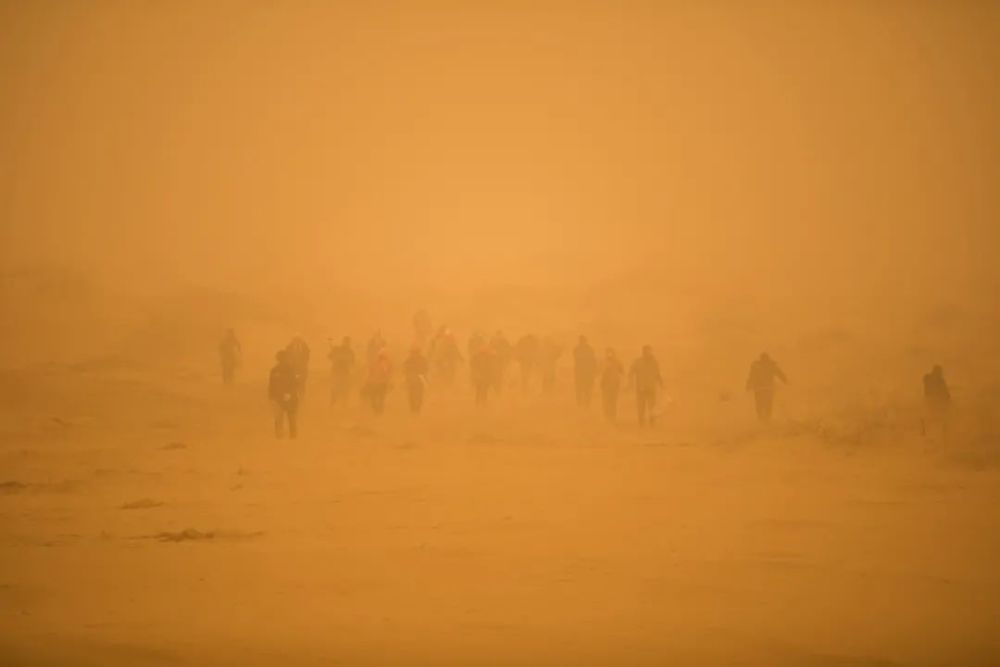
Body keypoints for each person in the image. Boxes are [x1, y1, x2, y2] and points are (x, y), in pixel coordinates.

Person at [745, 352, 787, 422]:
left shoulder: (757, 366)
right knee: (767, 403)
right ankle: (766, 418)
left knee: (760, 404)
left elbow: (751, 377)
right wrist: (785, 381)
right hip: (767, 389)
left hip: (760, 389)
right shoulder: (770, 365)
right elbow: (780, 374)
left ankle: (762, 418)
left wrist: (748, 385)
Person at [268, 350, 300, 438]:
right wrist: (271, 397)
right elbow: (271, 385)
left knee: (291, 419)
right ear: (278, 359)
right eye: (280, 358)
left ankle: (293, 438)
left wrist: (290, 394)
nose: (283, 360)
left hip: (291, 399)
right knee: (279, 419)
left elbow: (295, 383)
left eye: (284, 358)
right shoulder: (274, 370)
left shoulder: (292, 370)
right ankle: (279, 437)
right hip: (278, 399)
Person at [629, 345, 663, 427]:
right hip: (641, 388)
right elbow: (631, 372)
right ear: (643, 352)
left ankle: (652, 422)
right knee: (641, 407)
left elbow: (657, 374)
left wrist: (661, 384)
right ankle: (641, 423)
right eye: (646, 351)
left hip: (651, 388)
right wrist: (630, 383)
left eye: (649, 351)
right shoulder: (638, 361)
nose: (648, 353)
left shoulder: (654, 362)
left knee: (652, 407)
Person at [922, 364, 951, 437]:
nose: (941, 374)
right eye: (940, 372)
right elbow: (946, 394)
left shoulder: (928, 379)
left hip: (930, 402)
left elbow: (946, 394)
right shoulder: (940, 381)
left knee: (931, 420)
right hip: (936, 404)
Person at [362, 349, 392, 415]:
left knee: (377, 398)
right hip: (377, 383)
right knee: (378, 398)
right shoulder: (382, 363)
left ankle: (378, 410)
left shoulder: (383, 363)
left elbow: (387, 374)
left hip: (378, 383)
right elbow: (369, 373)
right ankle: (378, 410)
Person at [328, 337, 355, 407]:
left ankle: (344, 404)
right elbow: (330, 356)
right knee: (335, 387)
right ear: (343, 342)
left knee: (345, 388)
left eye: (348, 342)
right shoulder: (337, 349)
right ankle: (332, 403)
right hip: (336, 371)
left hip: (345, 372)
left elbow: (353, 361)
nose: (347, 343)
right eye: (346, 342)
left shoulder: (350, 351)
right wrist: (333, 353)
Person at [403, 346, 429, 414]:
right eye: (413, 352)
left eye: (415, 352)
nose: (414, 354)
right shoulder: (409, 360)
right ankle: (414, 409)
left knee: (418, 395)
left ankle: (416, 409)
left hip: (418, 378)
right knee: (413, 395)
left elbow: (426, 368)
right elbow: (405, 369)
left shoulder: (412, 359)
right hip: (414, 379)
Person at [600, 348, 624, 421]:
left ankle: (613, 416)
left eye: (611, 353)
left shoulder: (617, 362)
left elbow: (622, 371)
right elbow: (601, 373)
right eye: (608, 352)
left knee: (613, 402)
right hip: (606, 386)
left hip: (614, 385)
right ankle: (607, 416)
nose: (609, 354)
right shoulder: (603, 362)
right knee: (606, 402)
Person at [573, 335, 598, 408]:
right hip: (581, 372)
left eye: (582, 340)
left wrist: (593, 370)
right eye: (581, 340)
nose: (582, 342)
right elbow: (592, 360)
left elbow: (593, 360)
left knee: (586, 389)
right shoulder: (578, 349)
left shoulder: (585, 349)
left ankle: (586, 404)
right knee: (580, 389)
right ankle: (580, 404)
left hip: (585, 372)